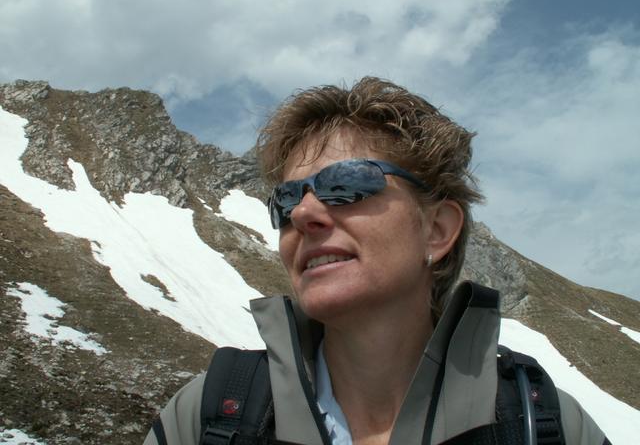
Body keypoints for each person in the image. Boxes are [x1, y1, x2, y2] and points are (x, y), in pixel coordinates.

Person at [144, 77, 608, 444]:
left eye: (346, 184)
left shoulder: (543, 424)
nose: (302, 214)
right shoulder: (206, 415)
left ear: (437, 230)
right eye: (285, 200)